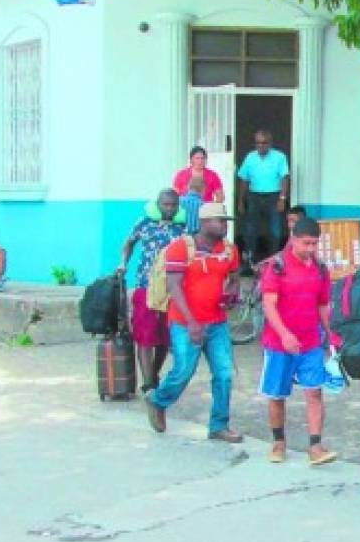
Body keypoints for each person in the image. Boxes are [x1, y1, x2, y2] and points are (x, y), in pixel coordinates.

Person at [144, 203, 243, 442]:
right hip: (184, 321)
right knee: (183, 371)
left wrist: (231, 295)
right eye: (220, 221)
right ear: (205, 223)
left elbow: (235, 276)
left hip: (216, 321)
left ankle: (218, 425)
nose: (224, 225)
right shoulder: (181, 248)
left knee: (225, 374)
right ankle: (157, 400)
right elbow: (174, 287)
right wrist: (191, 322)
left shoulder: (229, 250)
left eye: (225, 220)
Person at [260, 216, 338, 466]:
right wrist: (284, 334)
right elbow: (269, 305)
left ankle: (315, 446)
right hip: (278, 344)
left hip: (311, 343)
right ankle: (278, 442)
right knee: (277, 395)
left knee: (315, 393)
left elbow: (324, 305)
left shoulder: (321, 269)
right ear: (293, 239)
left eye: (315, 244)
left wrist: (332, 334)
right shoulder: (277, 267)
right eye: (306, 243)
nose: (311, 249)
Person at [118, 189, 187, 392]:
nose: (170, 209)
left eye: (174, 205)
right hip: (145, 286)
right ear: (158, 205)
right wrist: (123, 264)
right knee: (144, 335)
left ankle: (154, 374)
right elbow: (128, 244)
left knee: (164, 337)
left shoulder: (182, 229)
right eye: (166, 205)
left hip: (171, 289)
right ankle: (148, 383)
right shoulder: (144, 223)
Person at [236, 129, 290, 264]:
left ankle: (274, 262)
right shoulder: (250, 157)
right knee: (251, 230)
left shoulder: (280, 157)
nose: (261, 146)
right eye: (258, 143)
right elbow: (244, 180)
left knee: (275, 231)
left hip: (274, 196)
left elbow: (285, 178)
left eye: (264, 143)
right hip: (254, 196)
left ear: (270, 143)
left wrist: (282, 198)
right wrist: (241, 201)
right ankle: (250, 261)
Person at [173, 146, 225, 234]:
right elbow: (174, 196)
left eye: (203, 158)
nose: (200, 161)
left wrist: (211, 209)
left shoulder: (212, 175)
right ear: (191, 160)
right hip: (185, 213)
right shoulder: (181, 174)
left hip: (204, 214)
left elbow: (220, 196)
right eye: (197, 158)